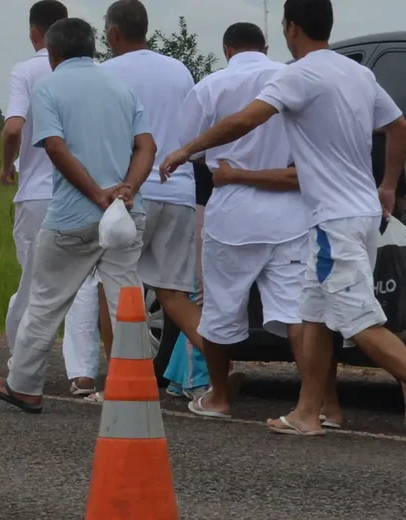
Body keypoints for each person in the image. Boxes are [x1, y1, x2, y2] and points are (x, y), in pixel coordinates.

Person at [160, 0, 406, 436]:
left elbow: (243, 121)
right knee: (310, 312)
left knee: (359, 323)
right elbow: (397, 126)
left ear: (292, 27)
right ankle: (308, 413)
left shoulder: (300, 73)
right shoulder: (358, 72)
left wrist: (184, 150)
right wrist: (387, 185)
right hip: (350, 215)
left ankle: (291, 406)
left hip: (335, 221)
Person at [0, 17, 156, 413]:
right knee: (126, 303)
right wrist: (127, 188)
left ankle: (25, 386)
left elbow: (55, 147)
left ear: (52, 53)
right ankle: (135, 389)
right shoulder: (120, 87)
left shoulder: (48, 87)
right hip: (126, 213)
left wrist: (96, 193)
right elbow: (146, 146)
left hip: (73, 216)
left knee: (46, 302)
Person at [178, 22, 308, 419]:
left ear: (226, 50)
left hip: (232, 210)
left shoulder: (210, 87)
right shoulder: (292, 78)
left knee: (220, 308)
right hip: (289, 210)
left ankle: (219, 397)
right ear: (266, 47)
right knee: (296, 313)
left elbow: (190, 147)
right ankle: (315, 402)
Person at [0, 0, 99, 396]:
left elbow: (12, 128)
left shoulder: (26, 71)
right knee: (84, 283)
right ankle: (82, 372)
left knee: (33, 283)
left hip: (38, 191)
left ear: (34, 32)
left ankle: (19, 363)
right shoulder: (94, 74)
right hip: (84, 189)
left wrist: (8, 165)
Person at [99, 0, 203, 354]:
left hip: (131, 192)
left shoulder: (107, 72)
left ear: (113, 33)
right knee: (173, 293)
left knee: (114, 285)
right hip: (180, 190)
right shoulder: (179, 70)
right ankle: (219, 370)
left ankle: (120, 376)